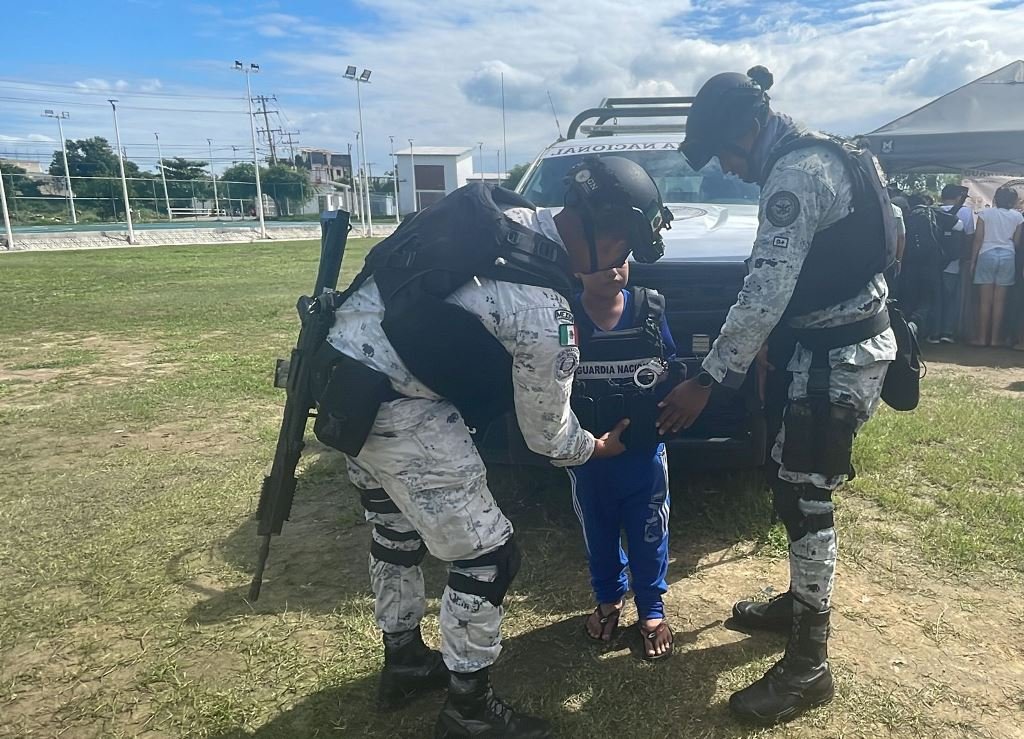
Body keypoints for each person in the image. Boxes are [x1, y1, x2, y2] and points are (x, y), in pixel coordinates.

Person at [323, 156, 669, 738]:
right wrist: (595, 449)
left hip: (343, 384)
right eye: (619, 240)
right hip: (404, 410)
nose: (619, 256)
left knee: (395, 535)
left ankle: (404, 659)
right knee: (488, 558)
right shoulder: (546, 309)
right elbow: (547, 436)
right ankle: (469, 709)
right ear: (596, 229)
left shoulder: (502, 216)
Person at [668, 65, 896, 725]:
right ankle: (797, 605)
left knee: (805, 494)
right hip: (833, 345)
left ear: (748, 128)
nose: (728, 169)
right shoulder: (829, 151)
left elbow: (764, 290)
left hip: (838, 357)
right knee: (788, 478)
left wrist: (707, 379)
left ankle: (809, 664)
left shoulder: (794, 176)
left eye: (725, 153)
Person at [568, 261, 676, 660]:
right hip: (588, 457)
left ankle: (651, 607)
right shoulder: (564, 315)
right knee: (598, 532)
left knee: (650, 531)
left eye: (620, 258)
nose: (612, 268)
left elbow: (671, 371)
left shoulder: (650, 310)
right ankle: (609, 599)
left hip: (644, 455)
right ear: (576, 267)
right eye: (596, 262)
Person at [969, 186, 1023, 347]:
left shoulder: (985, 214)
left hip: (986, 254)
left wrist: (973, 261)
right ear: (1013, 201)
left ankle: (981, 338)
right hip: (1007, 255)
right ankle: (994, 339)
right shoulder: (1018, 217)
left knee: (985, 301)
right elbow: (1017, 242)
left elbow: (978, 240)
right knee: (1000, 301)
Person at [930, 184, 974, 344]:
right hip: (954, 261)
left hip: (933, 261)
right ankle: (947, 332)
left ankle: (933, 332)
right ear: (958, 197)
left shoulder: (932, 210)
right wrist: (965, 256)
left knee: (934, 297)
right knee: (950, 297)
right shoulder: (966, 212)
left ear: (942, 196)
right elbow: (969, 236)